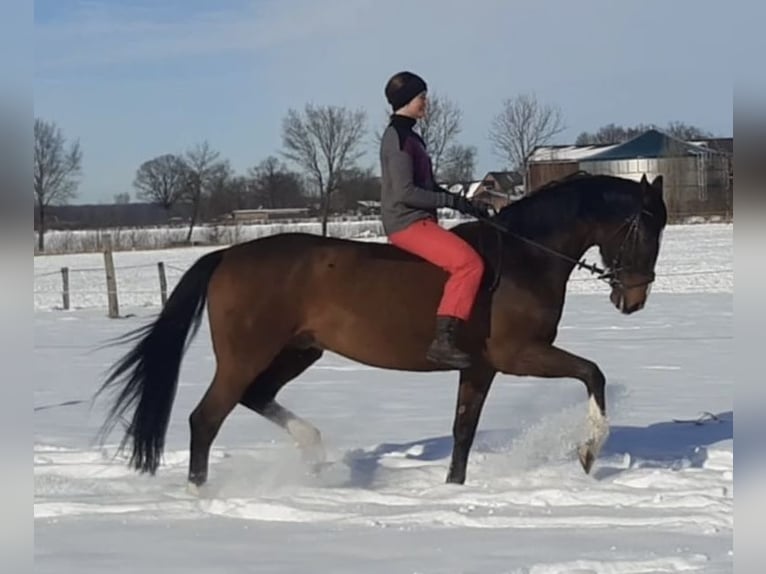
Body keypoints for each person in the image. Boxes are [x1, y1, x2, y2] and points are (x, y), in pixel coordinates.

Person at [379, 70, 490, 370]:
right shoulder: (399, 138)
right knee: (469, 263)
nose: (426, 103)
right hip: (407, 223)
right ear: (406, 101)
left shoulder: (411, 136)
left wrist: (465, 204)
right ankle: (443, 342)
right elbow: (406, 192)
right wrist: (448, 200)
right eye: (422, 98)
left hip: (419, 220)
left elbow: (427, 188)